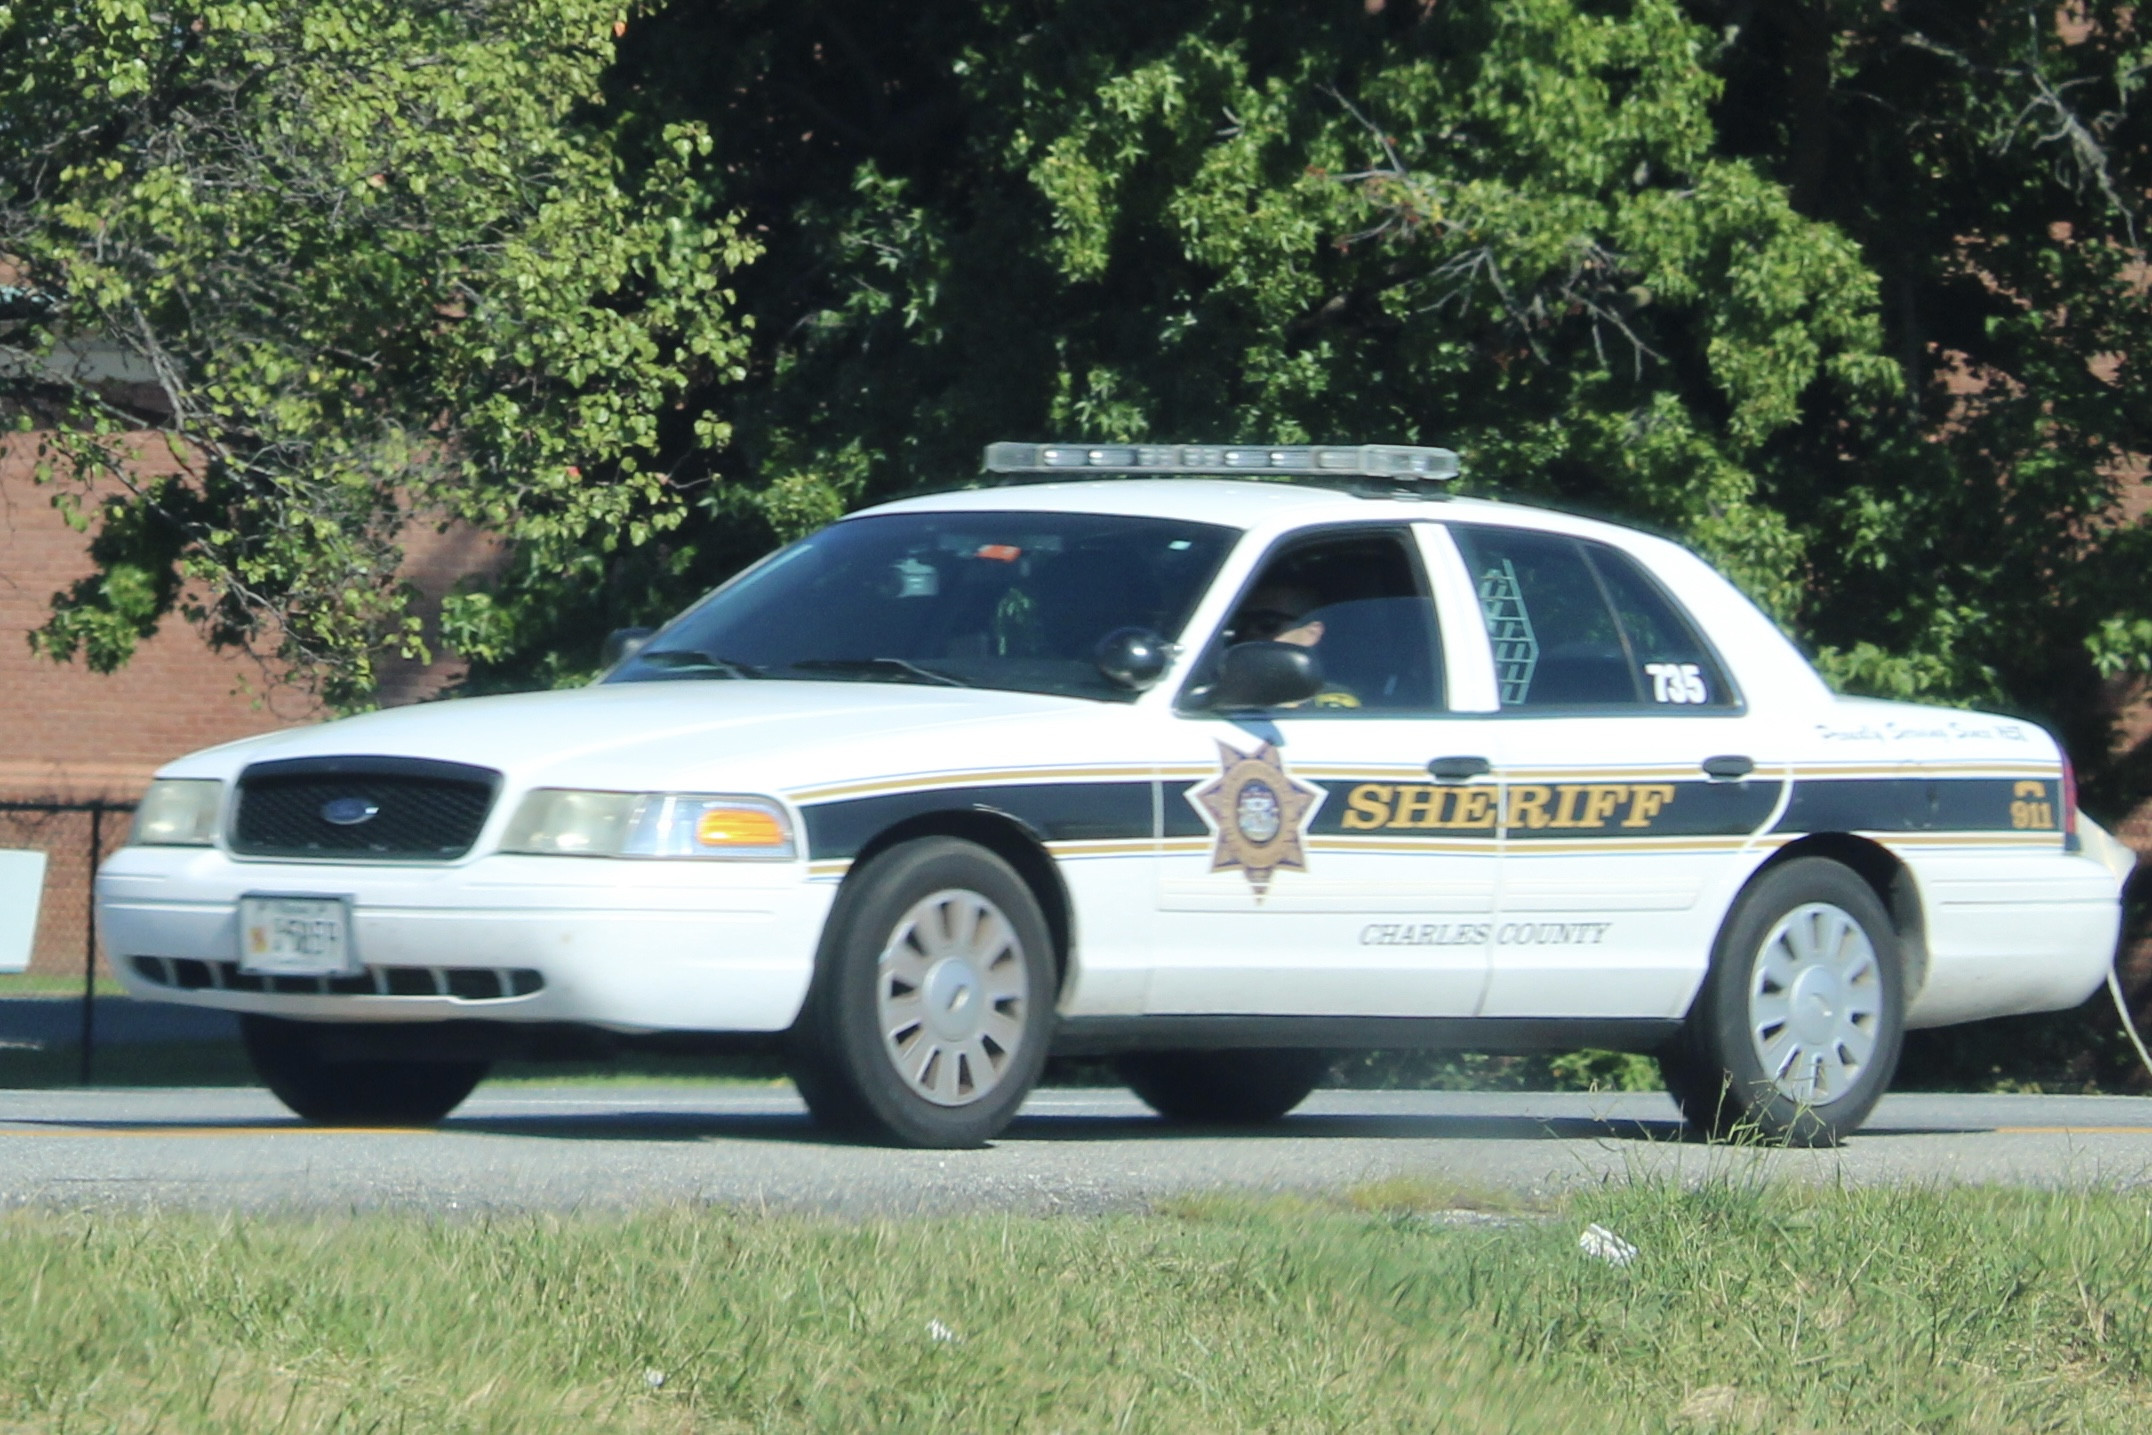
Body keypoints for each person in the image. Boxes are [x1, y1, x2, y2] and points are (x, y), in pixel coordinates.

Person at [1227, 582, 1361, 708]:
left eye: (1268, 622)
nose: (1250, 632)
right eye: (1242, 623)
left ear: (1312, 632)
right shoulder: (1217, 692)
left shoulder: (1331, 706)